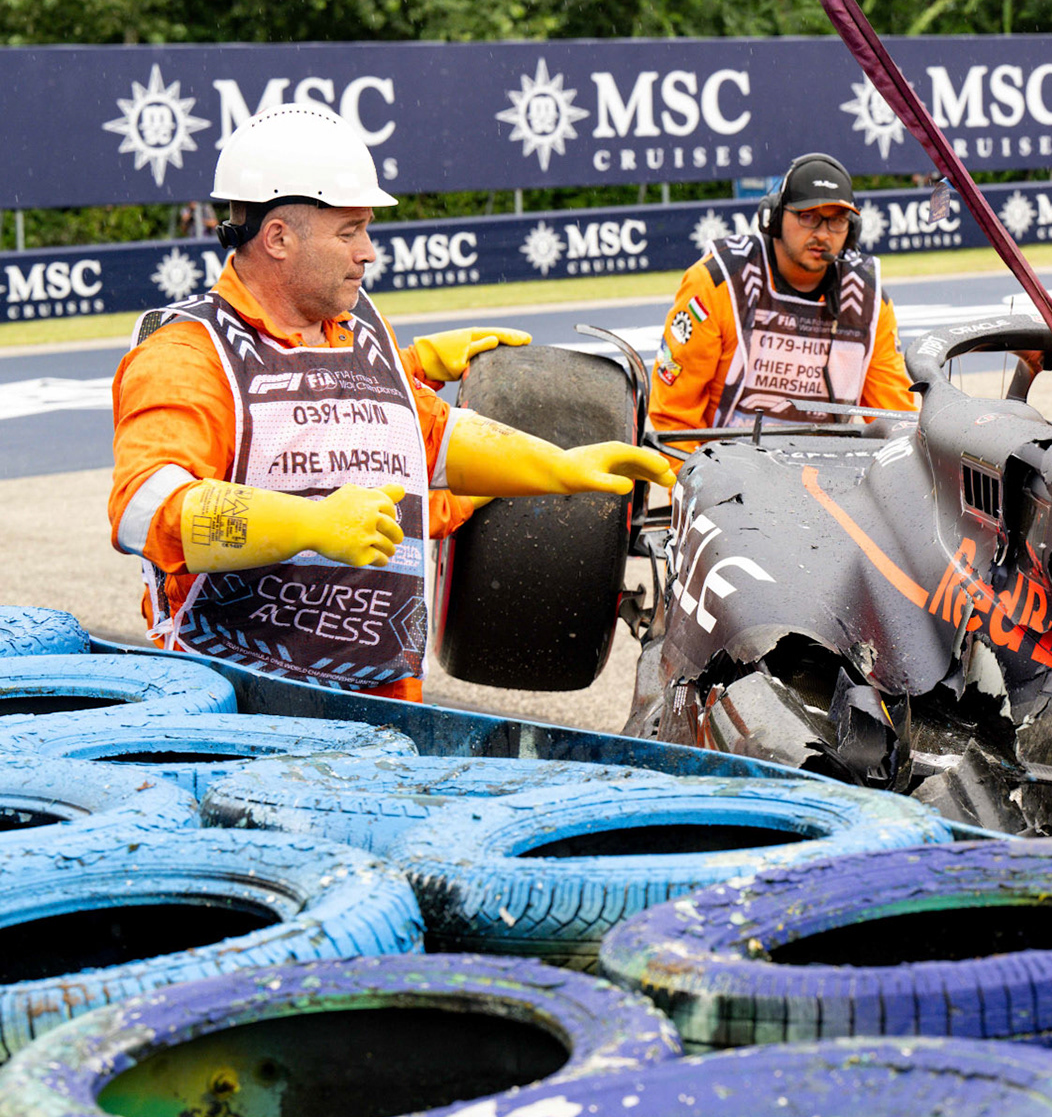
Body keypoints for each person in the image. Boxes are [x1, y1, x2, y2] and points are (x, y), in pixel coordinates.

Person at [108, 104, 676, 701]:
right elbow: (145, 507)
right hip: (242, 717)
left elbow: (432, 437)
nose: (369, 251)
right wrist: (309, 524)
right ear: (277, 238)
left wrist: (561, 466)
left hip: (386, 709)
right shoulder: (189, 351)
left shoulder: (357, 331)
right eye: (349, 231)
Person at [649, 153, 914, 434]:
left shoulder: (868, 299)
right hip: (721, 471)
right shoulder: (717, 282)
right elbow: (673, 421)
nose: (823, 234)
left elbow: (897, 420)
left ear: (852, 230)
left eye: (837, 221)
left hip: (827, 472)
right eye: (808, 216)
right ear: (774, 218)